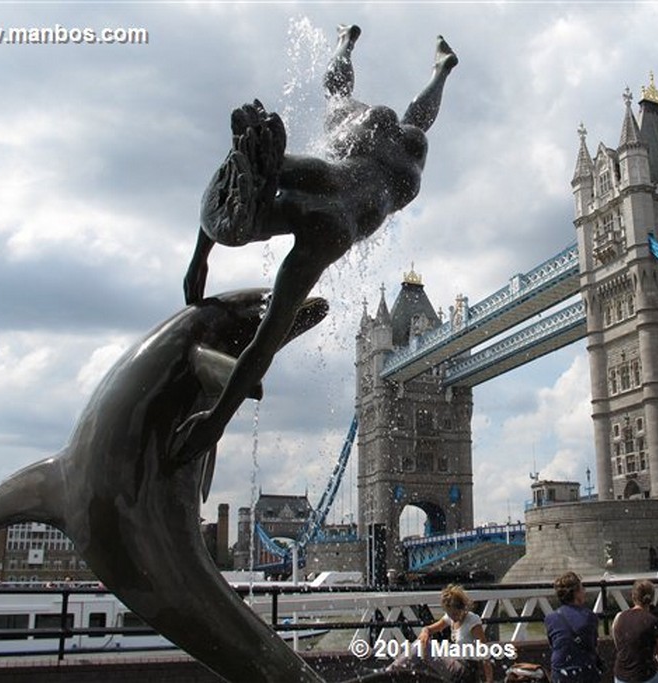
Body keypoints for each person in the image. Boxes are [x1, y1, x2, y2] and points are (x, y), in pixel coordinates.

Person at [172, 25, 457, 464]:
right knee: (340, 103)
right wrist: (200, 257)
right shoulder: (301, 171)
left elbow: (264, 344)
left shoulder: (326, 234)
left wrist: (216, 422)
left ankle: (433, 70)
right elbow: (243, 182)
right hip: (371, 143)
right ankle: (394, 57)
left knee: (409, 126)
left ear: (267, 228)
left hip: (399, 175)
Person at [392, 584, 493, 683]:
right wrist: (425, 632)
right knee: (421, 651)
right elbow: (429, 629)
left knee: (425, 647)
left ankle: (391, 672)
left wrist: (489, 680)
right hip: (453, 661)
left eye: (454, 614)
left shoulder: (473, 621)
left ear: (462, 608)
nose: (453, 617)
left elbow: (484, 652)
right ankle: (396, 674)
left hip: (465, 669)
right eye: (449, 614)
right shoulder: (451, 618)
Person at [611, 580, 658, 683]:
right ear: (652, 599)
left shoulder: (619, 617)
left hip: (620, 677)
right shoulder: (655, 622)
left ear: (633, 597)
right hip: (644, 677)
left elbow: (620, 646)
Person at [545, 571, 601, 682]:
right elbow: (593, 644)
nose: (584, 591)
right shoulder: (589, 617)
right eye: (582, 589)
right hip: (583, 671)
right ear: (576, 593)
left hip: (560, 673)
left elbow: (554, 644)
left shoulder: (550, 618)